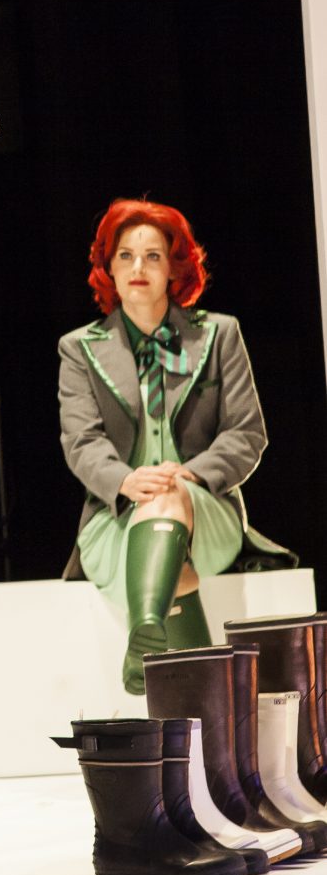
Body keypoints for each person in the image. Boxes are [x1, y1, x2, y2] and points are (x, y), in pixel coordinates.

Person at [58, 198, 292, 695]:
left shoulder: (219, 334)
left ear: (174, 268)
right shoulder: (78, 348)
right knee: (175, 564)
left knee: (167, 498)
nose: (137, 268)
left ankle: (145, 636)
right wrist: (125, 480)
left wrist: (191, 474)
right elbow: (81, 442)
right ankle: (204, 703)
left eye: (153, 256)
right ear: (108, 266)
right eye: (125, 255)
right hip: (115, 520)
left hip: (205, 511)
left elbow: (247, 432)